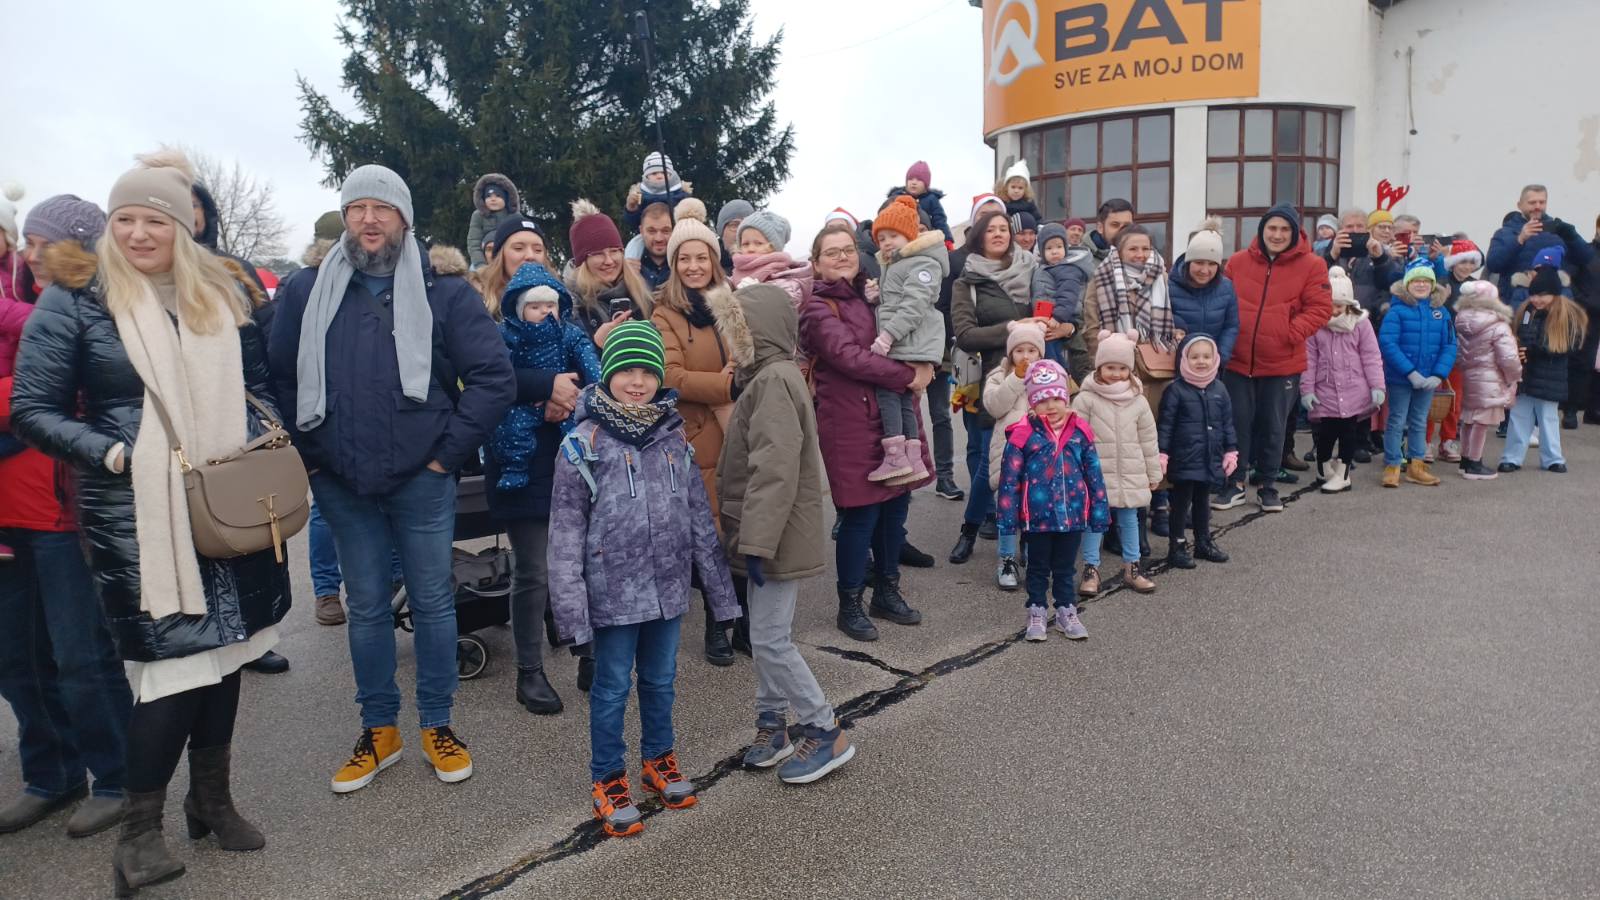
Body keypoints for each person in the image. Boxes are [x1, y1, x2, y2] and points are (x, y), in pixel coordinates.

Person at [12, 149, 289, 892]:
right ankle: (139, 834)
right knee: (173, 670)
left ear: (181, 225)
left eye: (155, 219)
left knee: (229, 650)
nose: (139, 233)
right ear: (112, 224)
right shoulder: (76, 298)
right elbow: (30, 409)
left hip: (225, 499)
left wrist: (264, 442)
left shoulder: (219, 292)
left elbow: (260, 385)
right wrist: (108, 453)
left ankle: (212, 800)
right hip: (136, 513)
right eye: (126, 218)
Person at [270, 164, 514, 794]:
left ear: (404, 218)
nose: (369, 218)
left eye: (383, 207)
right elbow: (281, 380)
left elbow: (493, 378)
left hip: (421, 480)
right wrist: (315, 459)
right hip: (342, 481)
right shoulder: (305, 291)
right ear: (345, 218)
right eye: (357, 208)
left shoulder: (444, 292)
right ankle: (380, 731)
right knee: (368, 608)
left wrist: (445, 457)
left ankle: (437, 723)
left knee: (433, 603)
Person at [547, 320, 738, 838]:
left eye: (648, 371)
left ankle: (659, 758)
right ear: (608, 374)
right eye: (627, 370)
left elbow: (699, 517)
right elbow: (564, 537)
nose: (638, 381)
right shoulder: (582, 445)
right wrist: (572, 614)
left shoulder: (673, 436)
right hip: (613, 595)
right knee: (610, 688)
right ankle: (608, 777)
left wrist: (721, 596)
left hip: (668, 589)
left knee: (660, 679)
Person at [0, 195, 132, 842]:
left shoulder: (86, 305)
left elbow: (70, 394)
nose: (28, 253)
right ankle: (51, 774)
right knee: (15, 658)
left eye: (38, 241)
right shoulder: (20, 303)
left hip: (58, 506)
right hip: (5, 510)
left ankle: (119, 776)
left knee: (81, 655)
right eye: (24, 241)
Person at [713, 283, 855, 783]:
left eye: (736, 333)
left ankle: (823, 728)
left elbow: (773, 470)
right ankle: (772, 724)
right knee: (764, 633)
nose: (730, 343)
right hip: (766, 532)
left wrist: (755, 542)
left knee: (771, 639)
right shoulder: (767, 377)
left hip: (772, 534)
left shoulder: (773, 380)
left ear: (757, 335)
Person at [804, 224, 931, 641]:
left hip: (894, 417)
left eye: (848, 250)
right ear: (816, 263)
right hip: (850, 424)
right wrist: (908, 374)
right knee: (861, 515)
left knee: (896, 507)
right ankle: (851, 602)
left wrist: (925, 363)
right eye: (831, 252)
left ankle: (888, 591)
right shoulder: (818, 309)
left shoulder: (877, 293)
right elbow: (850, 358)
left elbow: (915, 327)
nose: (842, 257)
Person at [649, 198, 748, 665]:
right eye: (684, 258)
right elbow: (669, 375)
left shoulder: (730, 304)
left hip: (737, 431)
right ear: (674, 264)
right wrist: (725, 383)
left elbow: (747, 357)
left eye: (701, 257)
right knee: (709, 534)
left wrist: (737, 376)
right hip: (694, 435)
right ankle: (716, 624)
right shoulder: (664, 313)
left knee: (741, 526)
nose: (693, 266)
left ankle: (744, 622)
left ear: (714, 261)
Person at [949, 210, 1054, 564]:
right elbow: (964, 335)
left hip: (1036, 382)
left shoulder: (1031, 269)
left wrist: (1060, 327)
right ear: (977, 237)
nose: (999, 234)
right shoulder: (968, 282)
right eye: (990, 230)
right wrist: (1014, 326)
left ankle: (1027, 536)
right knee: (988, 462)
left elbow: (1053, 314)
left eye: (1003, 229)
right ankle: (969, 530)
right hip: (992, 379)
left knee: (1036, 462)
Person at [1218, 202, 1333, 512]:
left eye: (1284, 229)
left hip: (1283, 362)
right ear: (1262, 229)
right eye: (1272, 228)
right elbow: (1222, 300)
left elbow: (1321, 309)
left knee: (1274, 425)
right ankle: (1235, 483)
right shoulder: (1239, 262)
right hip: (1238, 360)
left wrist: (1287, 333)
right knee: (1236, 424)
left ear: (1295, 233)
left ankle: (1268, 485)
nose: (1278, 234)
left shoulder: (1312, 265)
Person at [996, 359, 1108, 642]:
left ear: (1066, 398)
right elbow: (1009, 479)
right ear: (1033, 402)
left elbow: (1094, 473)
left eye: (1058, 398)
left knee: (1065, 567)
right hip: (1038, 517)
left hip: (1072, 515)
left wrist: (1098, 510)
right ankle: (1036, 610)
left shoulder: (1080, 432)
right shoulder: (1022, 434)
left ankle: (1066, 611)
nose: (1052, 405)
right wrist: (1007, 519)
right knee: (1037, 567)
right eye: (1044, 400)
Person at [488, 263, 601, 492]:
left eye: (550, 305)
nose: (544, 311)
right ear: (520, 310)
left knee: (576, 431)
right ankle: (514, 468)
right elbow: (498, 369)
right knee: (512, 429)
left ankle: (583, 467)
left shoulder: (568, 332)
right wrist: (538, 385)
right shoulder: (509, 333)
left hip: (565, 399)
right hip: (525, 401)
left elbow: (585, 353)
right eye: (535, 306)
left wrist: (595, 379)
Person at [865, 195, 947, 483]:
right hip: (908, 340)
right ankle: (912, 458)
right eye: (882, 237)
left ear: (910, 235)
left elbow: (913, 306)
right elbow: (897, 299)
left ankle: (895, 456)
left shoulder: (922, 263)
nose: (886, 242)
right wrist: (878, 297)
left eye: (893, 236)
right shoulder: (897, 264)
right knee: (903, 399)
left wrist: (887, 335)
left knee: (888, 392)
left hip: (911, 341)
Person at [1071, 331, 1160, 594]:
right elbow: (1075, 437)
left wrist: (1153, 471)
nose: (1117, 373)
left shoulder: (1138, 400)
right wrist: (1076, 471)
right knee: (1094, 522)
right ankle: (1091, 569)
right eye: (1110, 367)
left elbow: (1149, 439)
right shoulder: (1087, 398)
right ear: (1099, 366)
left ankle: (1132, 567)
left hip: (1131, 472)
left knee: (1130, 518)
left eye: (1122, 368)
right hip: (1097, 472)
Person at [1300, 267, 1385, 493]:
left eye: (1339, 306)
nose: (1334, 311)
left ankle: (1343, 473)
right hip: (1325, 390)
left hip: (1352, 389)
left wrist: (1377, 385)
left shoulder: (1360, 324)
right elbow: (1309, 359)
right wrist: (1306, 389)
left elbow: (1371, 355)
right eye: (1330, 305)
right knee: (1325, 435)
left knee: (1348, 434)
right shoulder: (1316, 326)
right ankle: (1323, 466)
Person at [1499, 264, 1588, 473]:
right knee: (1519, 416)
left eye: (1543, 295)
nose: (1537, 299)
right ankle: (1512, 457)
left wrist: (1533, 351)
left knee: (1548, 418)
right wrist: (1518, 351)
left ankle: (1553, 458)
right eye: (1534, 295)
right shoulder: (1526, 311)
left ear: (1555, 294)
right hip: (1526, 374)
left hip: (1550, 376)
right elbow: (1518, 335)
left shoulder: (1567, 315)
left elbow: (1567, 345)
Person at [1158, 334, 1237, 567]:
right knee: (1181, 503)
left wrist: (1230, 450)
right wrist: (1162, 453)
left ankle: (1204, 542)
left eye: (1206, 356)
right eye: (1194, 357)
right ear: (1184, 359)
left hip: (1209, 456)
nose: (1200, 361)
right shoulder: (1176, 390)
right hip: (1184, 457)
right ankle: (1177, 546)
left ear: (1215, 358)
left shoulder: (1219, 389)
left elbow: (1227, 423)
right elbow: (1166, 425)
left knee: (1203, 501)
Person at [1378, 258, 1457, 487]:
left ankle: (1417, 465)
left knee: (1420, 421)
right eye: (1416, 280)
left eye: (1426, 281)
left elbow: (1450, 345)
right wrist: (1410, 372)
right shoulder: (1397, 311)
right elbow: (1388, 343)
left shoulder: (1441, 313)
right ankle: (1393, 464)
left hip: (1429, 379)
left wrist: (1438, 375)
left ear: (1432, 284)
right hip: (1400, 378)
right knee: (1396, 420)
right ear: (1407, 283)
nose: (1421, 285)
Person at [984, 321, 1046, 591]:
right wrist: (1016, 378)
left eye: (1031, 350)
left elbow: (1062, 407)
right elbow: (994, 405)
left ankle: (1032, 554)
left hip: (1039, 456)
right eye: (1019, 350)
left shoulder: (1050, 375)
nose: (1025, 356)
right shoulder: (999, 375)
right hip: (1008, 454)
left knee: (1035, 506)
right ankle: (1006, 559)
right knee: (1008, 509)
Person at [1453, 281, 1521, 480]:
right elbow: (1508, 358)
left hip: (1467, 376)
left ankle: (1465, 460)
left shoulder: (1460, 320)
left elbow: (1457, 351)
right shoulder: (1498, 324)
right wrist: (1514, 377)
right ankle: (1475, 462)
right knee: (1482, 422)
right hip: (1490, 379)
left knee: (1468, 418)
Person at [565, 199, 654, 344]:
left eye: (614, 251)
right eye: (598, 253)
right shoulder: (570, 306)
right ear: (583, 261)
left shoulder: (644, 296)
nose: (609, 260)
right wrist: (599, 344)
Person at [1486, 184, 1596, 297]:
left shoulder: (1558, 230)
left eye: (1542, 202)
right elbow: (1493, 265)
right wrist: (1519, 239)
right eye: (1532, 203)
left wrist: (1572, 236)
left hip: (1556, 302)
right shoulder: (1505, 233)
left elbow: (1586, 258)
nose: (1537, 206)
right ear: (1519, 205)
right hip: (1518, 302)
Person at [1031, 222, 1092, 384]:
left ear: (1066, 248)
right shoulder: (1045, 268)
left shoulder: (1067, 268)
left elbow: (1068, 295)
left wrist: (1058, 317)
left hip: (1061, 317)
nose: (1055, 252)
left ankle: (1060, 376)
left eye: (1059, 246)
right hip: (1045, 315)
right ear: (1042, 252)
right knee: (1047, 345)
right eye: (1049, 248)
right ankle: (1057, 374)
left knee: (1051, 347)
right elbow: (1041, 294)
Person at [732, 211, 812, 309]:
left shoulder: (785, 279)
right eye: (745, 244)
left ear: (773, 247)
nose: (751, 248)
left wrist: (756, 294)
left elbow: (787, 307)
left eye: (758, 243)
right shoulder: (737, 272)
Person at [477, 217, 551, 316]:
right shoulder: (475, 301)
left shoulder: (563, 301)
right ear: (501, 256)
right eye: (518, 248)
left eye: (538, 250)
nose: (530, 256)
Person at [623, 152, 691, 232]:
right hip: (647, 236)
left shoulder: (680, 194)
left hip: (676, 233)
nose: (659, 176)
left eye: (664, 173)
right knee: (634, 244)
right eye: (654, 173)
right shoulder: (640, 195)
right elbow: (633, 222)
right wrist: (631, 209)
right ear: (646, 176)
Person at [887, 160, 951, 245]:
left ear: (926, 185)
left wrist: (947, 239)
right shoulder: (897, 197)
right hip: (901, 236)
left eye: (919, 180)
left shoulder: (931, 199)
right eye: (910, 179)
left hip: (924, 237)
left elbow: (940, 220)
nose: (914, 182)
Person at [465, 173, 521, 269]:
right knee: (473, 275)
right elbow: (474, 242)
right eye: (489, 196)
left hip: (510, 260)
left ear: (506, 198)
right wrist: (480, 265)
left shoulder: (515, 217)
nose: (493, 199)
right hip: (484, 259)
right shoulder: (478, 216)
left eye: (498, 196)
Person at [632, 202, 674, 291]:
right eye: (652, 231)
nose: (659, 239)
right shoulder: (627, 267)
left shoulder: (685, 267)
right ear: (641, 231)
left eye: (666, 231)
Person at [715, 199, 754, 276]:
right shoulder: (705, 267)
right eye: (734, 225)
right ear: (721, 232)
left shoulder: (770, 269)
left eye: (746, 226)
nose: (740, 231)